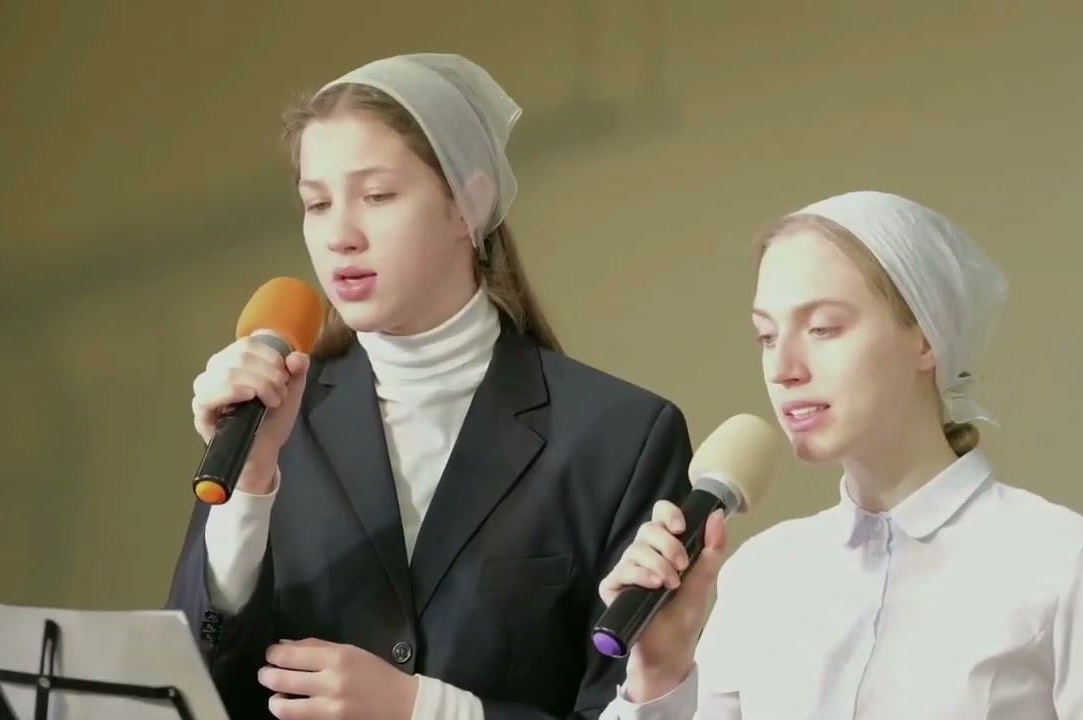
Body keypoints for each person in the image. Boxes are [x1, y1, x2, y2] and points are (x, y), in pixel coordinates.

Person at [166, 53, 692, 720]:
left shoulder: (620, 437)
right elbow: (185, 688)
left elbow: (624, 703)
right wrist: (248, 488)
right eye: (316, 203)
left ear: (468, 206)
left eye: (377, 196)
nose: (339, 236)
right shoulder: (271, 420)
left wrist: (428, 709)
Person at [598, 191, 1083, 718]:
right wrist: (658, 672)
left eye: (823, 328)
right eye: (766, 336)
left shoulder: (1065, 563)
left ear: (927, 337)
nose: (784, 368)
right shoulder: (761, 575)